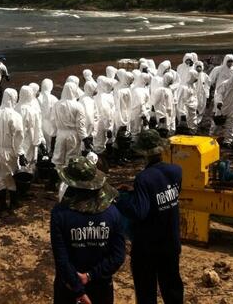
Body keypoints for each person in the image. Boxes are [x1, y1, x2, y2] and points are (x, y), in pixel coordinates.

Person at [116, 130, 184, 304]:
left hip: (148, 247)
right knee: (172, 287)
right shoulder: (176, 171)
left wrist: (118, 199)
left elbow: (139, 212)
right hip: (171, 242)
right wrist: (137, 192)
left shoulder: (143, 178)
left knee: (146, 290)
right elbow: (161, 193)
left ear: (143, 153)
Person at [51, 157, 124, 304]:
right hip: (101, 286)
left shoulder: (60, 214)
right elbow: (118, 256)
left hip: (69, 287)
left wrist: (78, 290)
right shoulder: (112, 213)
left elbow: (62, 259)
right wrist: (90, 275)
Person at [0, 88, 25, 212]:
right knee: (10, 177)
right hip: (8, 150)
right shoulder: (15, 116)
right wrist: (20, 153)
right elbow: (18, 136)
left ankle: (2, 204)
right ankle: (13, 203)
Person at [51, 82, 88, 168]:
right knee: (71, 159)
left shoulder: (57, 104)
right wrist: (84, 138)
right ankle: (68, 179)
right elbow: (80, 125)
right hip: (73, 135)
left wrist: (53, 134)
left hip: (60, 134)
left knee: (58, 158)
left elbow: (53, 121)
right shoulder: (78, 106)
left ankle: (58, 177)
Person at [211, 69, 233, 148]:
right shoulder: (225, 84)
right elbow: (219, 94)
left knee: (230, 126)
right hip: (221, 108)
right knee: (216, 125)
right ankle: (211, 138)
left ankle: (227, 141)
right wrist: (219, 102)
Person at [16, 86, 44, 174]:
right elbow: (37, 129)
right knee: (27, 163)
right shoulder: (32, 111)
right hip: (28, 140)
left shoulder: (15, 108)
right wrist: (38, 143)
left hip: (16, 141)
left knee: (17, 161)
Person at [92, 76, 115, 155]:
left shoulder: (96, 95)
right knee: (101, 144)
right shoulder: (104, 97)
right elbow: (106, 114)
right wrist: (108, 128)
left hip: (97, 122)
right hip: (102, 123)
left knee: (98, 143)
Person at [151, 72, 176, 137]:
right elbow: (155, 103)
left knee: (166, 131)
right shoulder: (161, 90)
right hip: (163, 115)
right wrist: (160, 115)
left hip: (168, 114)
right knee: (162, 131)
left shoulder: (169, 89)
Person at [130, 72, 151, 140]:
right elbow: (141, 104)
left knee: (135, 132)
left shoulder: (135, 88)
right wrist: (144, 116)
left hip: (135, 113)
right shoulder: (140, 91)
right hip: (139, 114)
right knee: (137, 133)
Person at [39, 79, 59, 149]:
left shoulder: (37, 98)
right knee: (50, 145)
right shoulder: (54, 99)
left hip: (39, 125)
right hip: (51, 125)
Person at [79, 81, 98, 150]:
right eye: (95, 88)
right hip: (86, 128)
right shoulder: (85, 100)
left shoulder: (90, 99)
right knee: (85, 146)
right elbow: (89, 117)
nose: (96, 90)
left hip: (90, 129)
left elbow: (95, 115)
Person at [192, 61, 211, 130]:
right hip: (194, 94)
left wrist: (207, 94)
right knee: (194, 108)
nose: (199, 68)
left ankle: (198, 123)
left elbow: (207, 85)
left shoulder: (205, 76)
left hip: (202, 95)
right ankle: (193, 123)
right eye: (197, 67)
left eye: (200, 67)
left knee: (201, 107)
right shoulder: (193, 74)